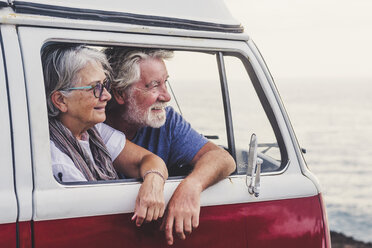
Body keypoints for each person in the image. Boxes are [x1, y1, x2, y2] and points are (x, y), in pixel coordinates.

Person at [104, 48, 236, 245]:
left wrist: (191, 186)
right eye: (154, 86)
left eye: (165, 83)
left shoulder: (166, 122)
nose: (166, 96)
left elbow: (223, 159)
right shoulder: (90, 124)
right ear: (120, 92)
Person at [42, 44, 168, 227]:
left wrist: (154, 182)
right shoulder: (59, 162)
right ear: (61, 100)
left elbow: (149, 159)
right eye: (96, 88)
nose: (107, 95)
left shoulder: (93, 131)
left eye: (105, 85)